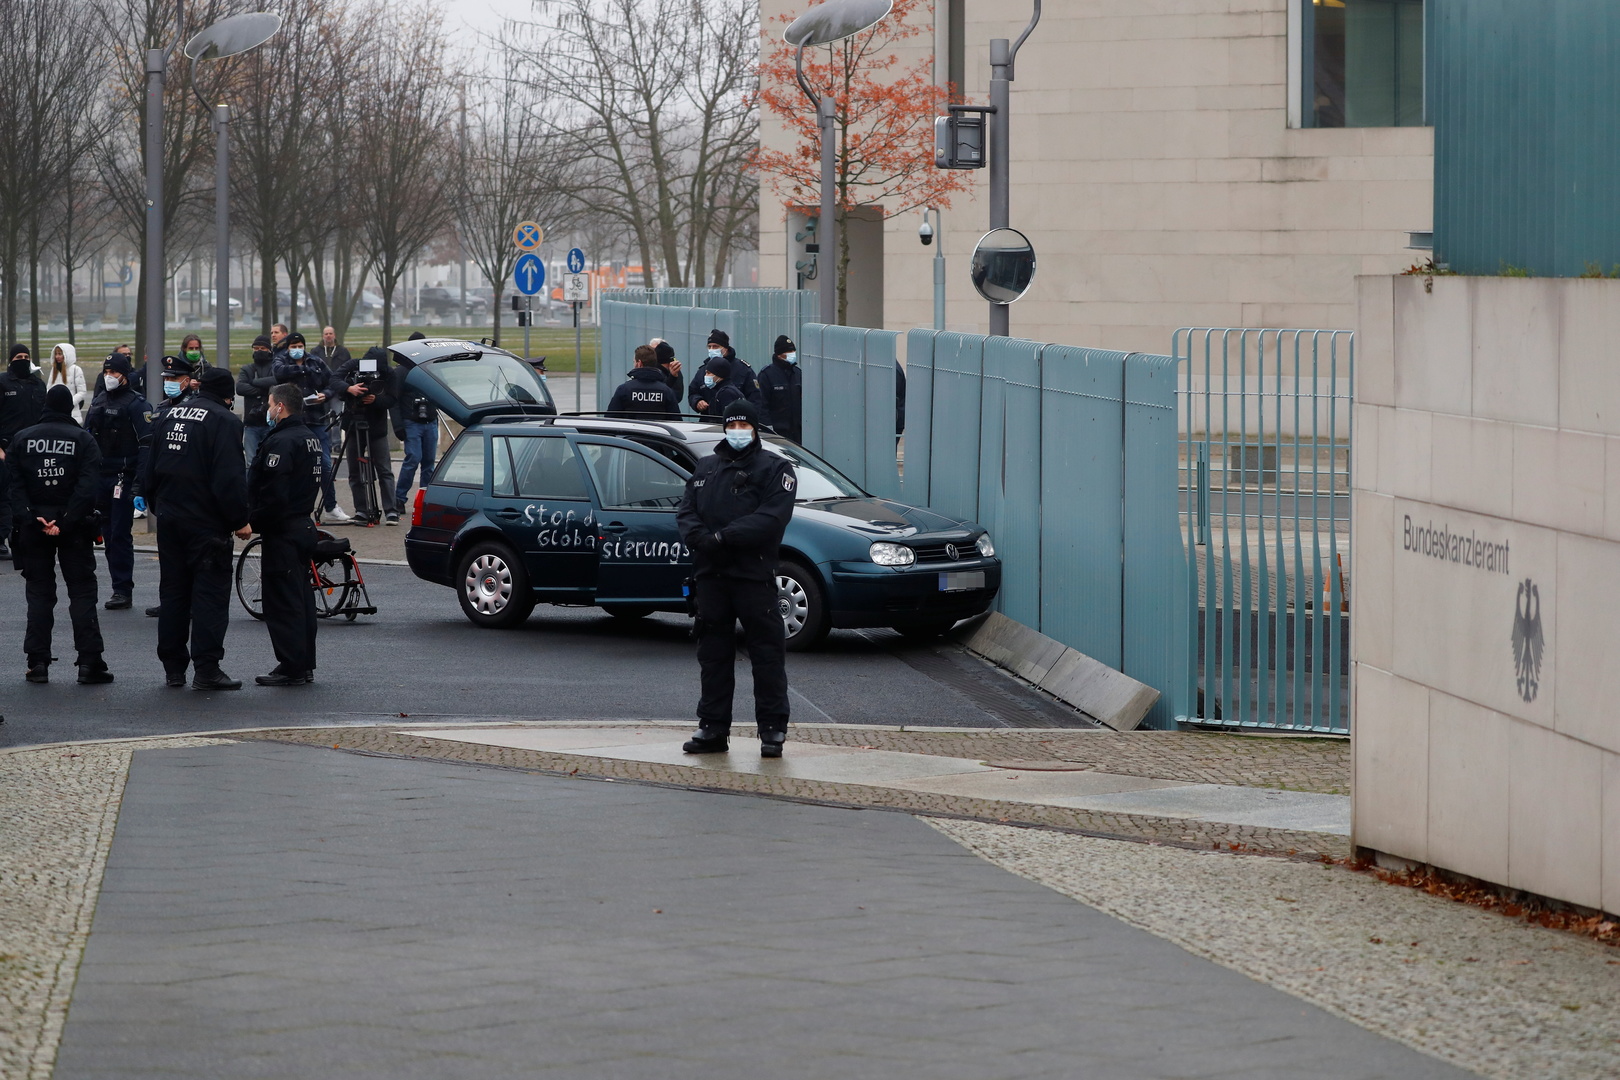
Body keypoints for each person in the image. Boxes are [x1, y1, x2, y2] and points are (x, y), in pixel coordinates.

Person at [676, 400, 796, 758]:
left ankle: (772, 730)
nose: (738, 432)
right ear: (724, 428)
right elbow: (686, 511)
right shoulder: (706, 467)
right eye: (733, 426)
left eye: (745, 427)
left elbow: (771, 519)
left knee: (767, 654)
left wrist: (723, 538)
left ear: (755, 429)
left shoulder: (775, 468)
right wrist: (700, 539)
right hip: (711, 576)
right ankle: (712, 728)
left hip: (752, 575)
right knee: (712, 655)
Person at [142, 364, 250, 690]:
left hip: (171, 520)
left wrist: (158, 507)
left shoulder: (170, 416)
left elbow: (150, 468)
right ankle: (207, 669)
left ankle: (173, 668)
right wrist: (238, 520)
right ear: (228, 397)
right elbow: (229, 479)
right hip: (206, 525)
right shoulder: (225, 422)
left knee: (173, 593)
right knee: (210, 597)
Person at [11, 386, 113, 684]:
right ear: (69, 407)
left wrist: (33, 517)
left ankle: (37, 661)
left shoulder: (22, 438)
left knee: (39, 594)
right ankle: (89, 662)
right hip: (75, 528)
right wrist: (65, 520)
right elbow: (88, 485)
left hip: (33, 527)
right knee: (81, 592)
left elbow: (14, 486)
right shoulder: (83, 440)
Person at [248, 384, 322, 686]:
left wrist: (252, 521)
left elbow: (273, 492)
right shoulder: (310, 438)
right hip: (303, 524)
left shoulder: (282, 441)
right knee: (302, 598)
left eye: (270, 403)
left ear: (280, 406)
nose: (268, 408)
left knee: (282, 602)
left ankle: (291, 664)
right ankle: (302, 663)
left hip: (283, 529)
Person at [84, 354, 151, 610]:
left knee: (120, 534)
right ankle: (116, 586)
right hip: (100, 477)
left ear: (125, 374)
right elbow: (87, 439)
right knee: (106, 534)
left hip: (123, 477)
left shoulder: (136, 405)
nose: (109, 375)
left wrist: (139, 484)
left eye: (114, 371)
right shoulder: (99, 400)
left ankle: (123, 589)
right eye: (106, 371)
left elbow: (146, 444)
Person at [272, 332, 342, 523]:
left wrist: (325, 395)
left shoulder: (316, 361)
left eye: (299, 346)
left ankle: (331, 506)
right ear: (288, 348)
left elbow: (332, 382)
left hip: (316, 419)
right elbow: (279, 374)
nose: (296, 349)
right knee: (292, 465)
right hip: (291, 421)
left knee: (325, 464)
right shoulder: (280, 361)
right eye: (293, 346)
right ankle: (291, 507)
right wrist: (302, 370)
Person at [335, 346, 397, 524]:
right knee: (355, 471)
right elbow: (333, 379)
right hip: (353, 424)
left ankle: (391, 511)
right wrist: (349, 388)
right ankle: (361, 510)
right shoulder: (354, 365)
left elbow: (393, 399)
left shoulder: (388, 373)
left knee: (384, 470)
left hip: (376, 428)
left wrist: (376, 400)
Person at [0, 344, 47, 561]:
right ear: (11, 360)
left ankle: (27, 539)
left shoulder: (38, 385)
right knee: (6, 496)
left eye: (26, 356)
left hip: (34, 449)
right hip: (7, 448)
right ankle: (2, 539)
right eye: (18, 356)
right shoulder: (2, 382)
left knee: (32, 495)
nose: (23, 359)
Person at [392, 349, 439, 514]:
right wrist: (398, 426)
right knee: (413, 459)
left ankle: (425, 500)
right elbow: (394, 400)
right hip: (411, 422)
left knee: (429, 463)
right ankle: (399, 499)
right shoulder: (401, 372)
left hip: (430, 421)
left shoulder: (431, 369)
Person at [687, 329, 763, 411]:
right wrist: (697, 401)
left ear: (725, 348)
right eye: (709, 347)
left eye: (715, 346)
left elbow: (755, 398)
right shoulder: (703, 370)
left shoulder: (743, 370)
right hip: (708, 420)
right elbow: (693, 392)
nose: (712, 350)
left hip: (735, 420)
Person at [237, 334, 280, 467]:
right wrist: (264, 389)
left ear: (269, 349)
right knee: (251, 462)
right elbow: (240, 388)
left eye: (262, 348)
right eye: (256, 348)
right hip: (251, 423)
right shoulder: (247, 369)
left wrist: (254, 382)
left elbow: (277, 381)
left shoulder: (276, 366)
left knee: (272, 462)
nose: (259, 351)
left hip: (272, 422)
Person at [607, 345, 682, 420]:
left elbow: (610, 420)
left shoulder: (624, 389)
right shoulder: (666, 391)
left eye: (634, 361)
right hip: (657, 431)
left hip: (632, 431)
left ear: (639, 363)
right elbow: (676, 421)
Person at [758, 334, 803, 443]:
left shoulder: (797, 373)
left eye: (793, 351)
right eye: (788, 352)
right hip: (778, 432)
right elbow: (762, 405)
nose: (792, 354)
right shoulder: (767, 375)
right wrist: (768, 429)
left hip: (797, 432)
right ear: (779, 354)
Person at [45, 343, 90, 423]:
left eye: (60, 354)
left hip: (72, 414)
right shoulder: (54, 370)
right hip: (55, 413)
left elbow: (82, 392)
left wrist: (69, 403)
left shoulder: (76, 370)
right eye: (56, 354)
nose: (57, 357)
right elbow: (49, 388)